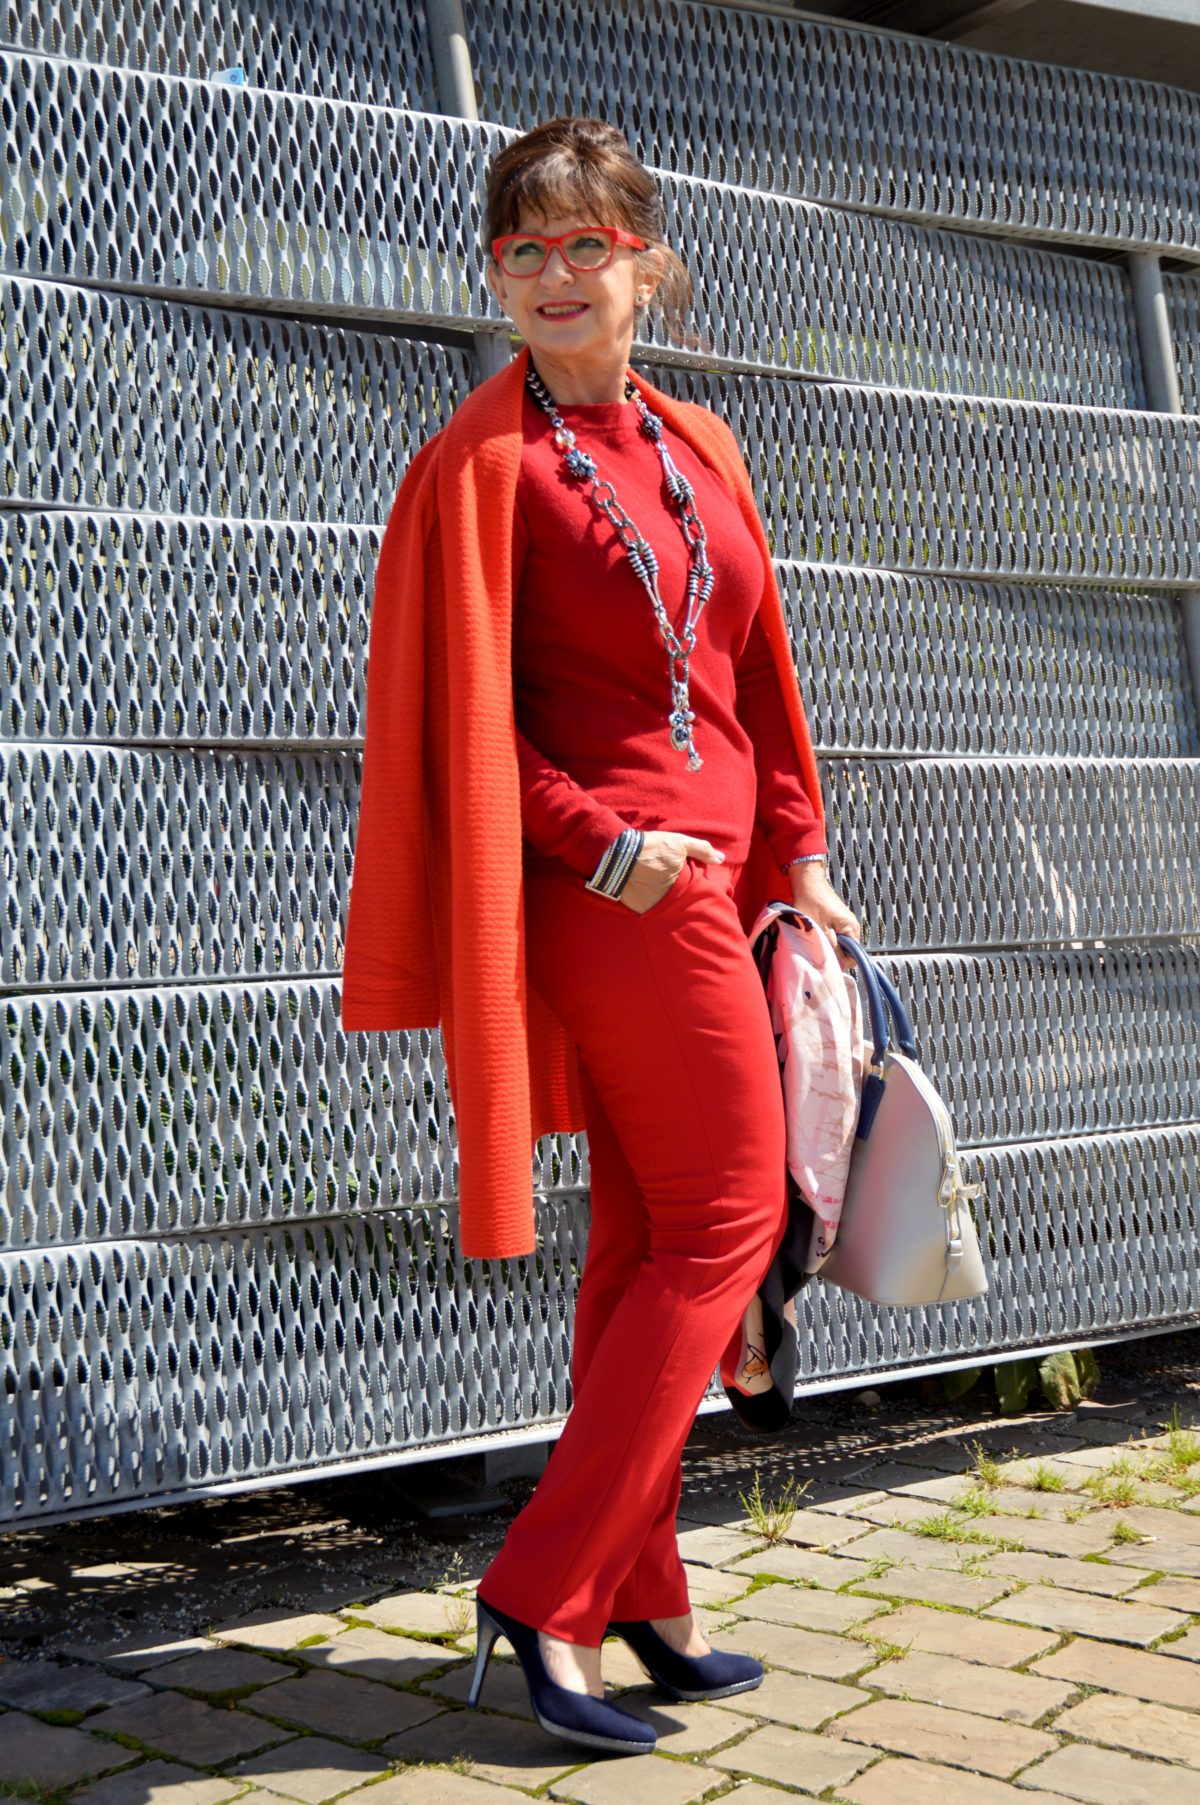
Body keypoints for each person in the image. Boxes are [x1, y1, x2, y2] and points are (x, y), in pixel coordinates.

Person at [343, 115, 861, 1755]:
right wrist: (605, 844)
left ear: (646, 262)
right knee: (728, 1219)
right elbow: (462, 717)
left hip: (727, 884)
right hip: (620, 898)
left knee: (646, 1243)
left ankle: (643, 1588)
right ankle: (547, 1584)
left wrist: (799, 849)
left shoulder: (699, 440)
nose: (555, 274)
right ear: (496, 275)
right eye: (524, 249)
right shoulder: (480, 464)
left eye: (587, 243)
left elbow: (758, 669)